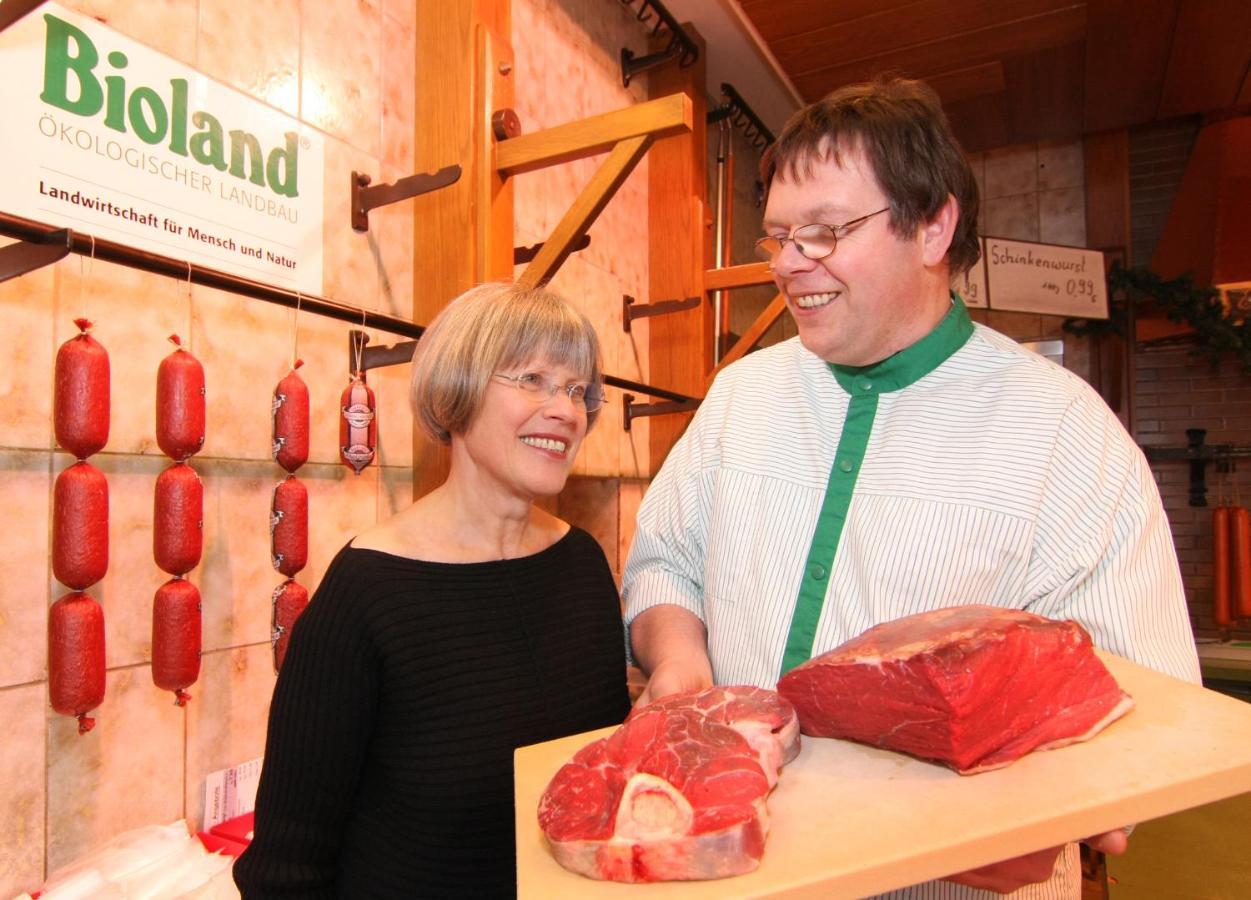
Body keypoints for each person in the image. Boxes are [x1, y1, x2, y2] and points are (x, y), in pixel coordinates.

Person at [622, 77, 1201, 898]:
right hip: (727, 868)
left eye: (823, 233)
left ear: (932, 227)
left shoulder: (1063, 431)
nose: (789, 264)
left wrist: (1037, 809)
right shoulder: (739, 396)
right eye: (779, 236)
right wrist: (676, 658)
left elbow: (1147, 706)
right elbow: (664, 563)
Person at [234, 282, 631, 898]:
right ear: (458, 393)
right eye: (532, 379)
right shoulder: (367, 592)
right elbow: (287, 866)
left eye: (578, 390)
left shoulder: (581, 565)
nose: (567, 410)